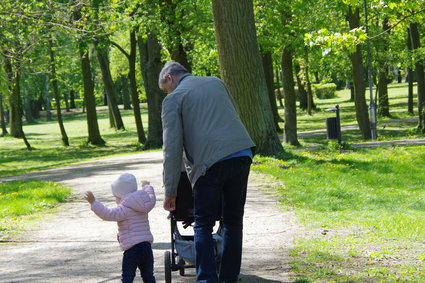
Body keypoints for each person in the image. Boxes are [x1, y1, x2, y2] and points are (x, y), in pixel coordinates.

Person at [159, 60, 255, 283]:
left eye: (166, 88)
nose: (167, 92)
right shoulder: (216, 82)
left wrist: (171, 191)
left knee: (203, 223)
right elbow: (233, 116)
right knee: (233, 221)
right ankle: (229, 277)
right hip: (241, 154)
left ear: (170, 79)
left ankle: (207, 280)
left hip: (209, 163)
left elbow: (171, 149)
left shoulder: (174, 98)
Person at [84, 173, 156, 283]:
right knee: (148, 276)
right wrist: (147, 186)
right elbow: (150, 196)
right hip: (146, 247)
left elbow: (107, 214)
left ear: (121, 196)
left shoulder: (124, 209)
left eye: (116, 197)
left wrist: (94, 203)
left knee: (127, 277)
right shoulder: (144, 204)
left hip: (132, 249)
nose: (116, 200)